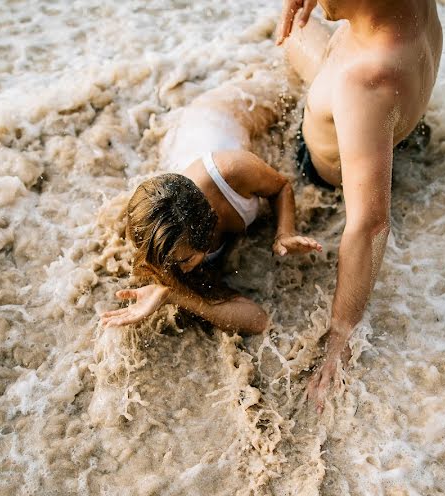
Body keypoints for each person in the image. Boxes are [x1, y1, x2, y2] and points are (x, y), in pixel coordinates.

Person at [276, 0, 443, 412]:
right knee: (293, 29)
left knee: (287, 37)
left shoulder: (364, 82)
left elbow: (369, 226)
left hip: (330, 166)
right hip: (397, 117)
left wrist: (339, 339)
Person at [100, 73, 322, 335]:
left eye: (183, 260)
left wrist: (285, 231)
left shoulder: (233, 170)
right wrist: (172, 294)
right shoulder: (158, 242)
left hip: (223, 111)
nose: (176, 269)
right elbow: (258, 320)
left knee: (301, 89)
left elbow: (281, 187)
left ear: (207, 229)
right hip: (184, 141)